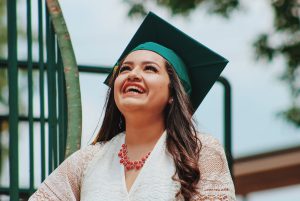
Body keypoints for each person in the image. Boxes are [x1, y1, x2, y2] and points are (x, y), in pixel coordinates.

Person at [29, 12, 236, 201]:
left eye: (150, 69)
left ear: (173, 93)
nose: (133, 75)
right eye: (125, 69)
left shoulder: (199, 152)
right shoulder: (88, 160)